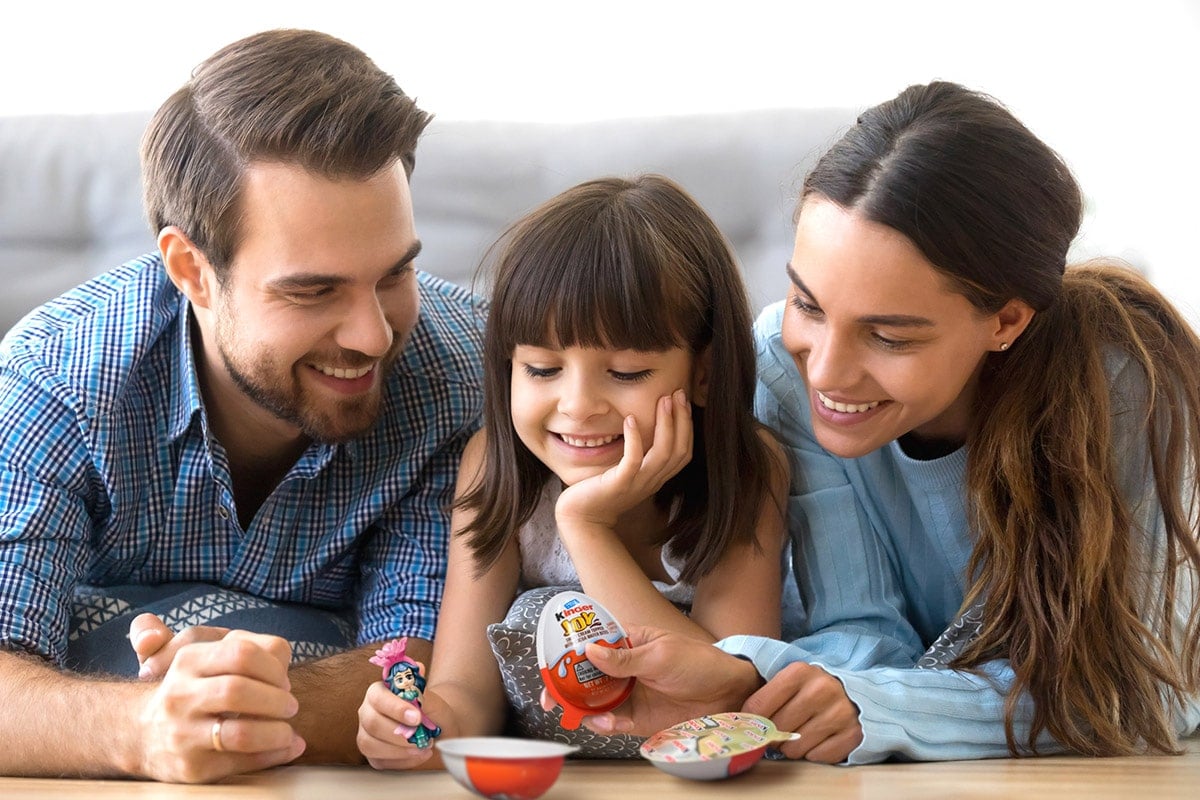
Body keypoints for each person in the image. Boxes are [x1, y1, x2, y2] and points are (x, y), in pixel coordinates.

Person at [559, 81, 1200, 764]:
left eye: (889, 337)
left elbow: (1141, 691)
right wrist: (758, 679)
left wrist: (876, 705)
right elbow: (858, 635)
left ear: (1006, 320)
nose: (827, 373)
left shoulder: (1127, 388)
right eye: (809, 305)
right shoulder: (782, 363)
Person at [0, 29, 483, 782]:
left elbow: (421, 670)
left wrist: (236, 699)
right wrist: (142, 726)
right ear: (191, 268)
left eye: (394, 274)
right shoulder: (56, 381)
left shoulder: (458, 380)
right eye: (313, 290)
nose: (374, 334)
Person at [356, 174, 788, 769]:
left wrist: (586, 526)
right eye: (541, 368)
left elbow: (727, 697)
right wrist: (419, 730)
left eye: (628, 372)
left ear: (705, 373)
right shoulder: (495, 467)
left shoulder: (748, 471)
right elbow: (468, 692)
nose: (578, 405)